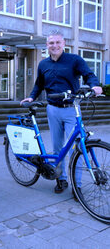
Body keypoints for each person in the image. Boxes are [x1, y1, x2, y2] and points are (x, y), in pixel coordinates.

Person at [20, 30, 102, 195]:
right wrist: (31, 97)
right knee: (57, 147)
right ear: (47, 46)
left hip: (72, 110)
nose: (55, 46)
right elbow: (39, 84)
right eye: (51, 43)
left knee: (76, 148)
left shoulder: (74, 60)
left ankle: (77, 186)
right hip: (53, 110)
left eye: (58, 42)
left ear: (64, 44)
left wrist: (94, 86)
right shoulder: (43, 64)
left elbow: (89, 75)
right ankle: (61, 179)